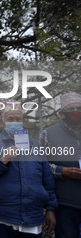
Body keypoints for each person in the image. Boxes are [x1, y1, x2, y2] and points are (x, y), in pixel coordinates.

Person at [0, 101, 57, 238]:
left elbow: (47, 180)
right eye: (10, 119)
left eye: (18, 119)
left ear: (23, 121)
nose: (15, 122)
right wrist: (2, 161)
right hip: (2, 218)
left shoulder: (35, 145)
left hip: (33, 217)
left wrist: (50, 209)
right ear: (3, 122)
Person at [39, 92, 81, 238]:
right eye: (71, 109)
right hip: (65, 203)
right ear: (62, 113)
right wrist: (62, 171)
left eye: (79, 108)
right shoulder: (49, 134)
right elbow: (41, 165)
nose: (76, 112)